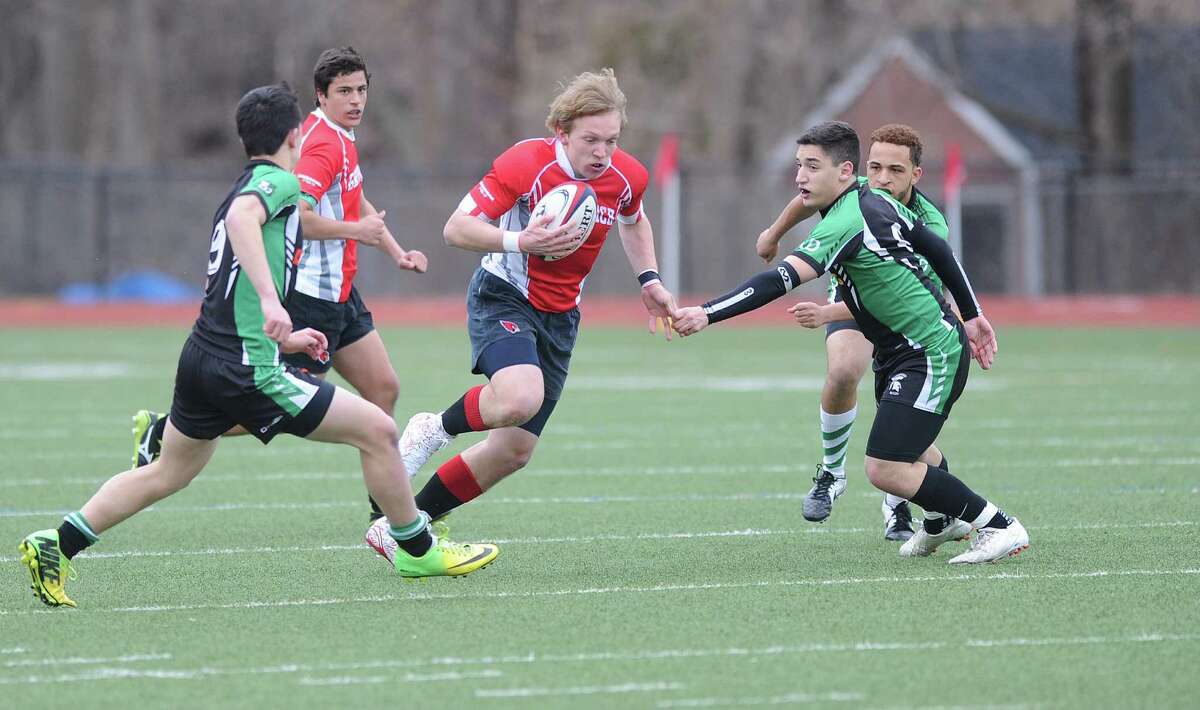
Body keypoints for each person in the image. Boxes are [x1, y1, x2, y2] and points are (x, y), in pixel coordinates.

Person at [19, 84, 497, 608]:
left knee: (167, 472)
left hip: (204, 353)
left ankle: (56, 543)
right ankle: (415, 548)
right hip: (247, 367)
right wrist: (274, 304)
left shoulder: (248, 181)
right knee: (380, 431)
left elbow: (233, 269)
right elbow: (241, 219)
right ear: (295, 135)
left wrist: (286, 331)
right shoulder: (276, 184)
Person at [670, 120, 1028, 564]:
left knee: (884, 466)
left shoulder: (847, 219)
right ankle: (941, 520)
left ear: (843, 172)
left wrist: (707, 313)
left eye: (812, 166)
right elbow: (934, 250)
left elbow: (779, 280)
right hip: (899, 348)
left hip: (930, 350)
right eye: (799, 165)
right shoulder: (872, 197)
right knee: (914, 448)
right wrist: (974, 316)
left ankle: (998, 525)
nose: (801, 176)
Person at [364, 68, 676, 562]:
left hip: (562, 316)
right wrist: (520, 240)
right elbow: (456, 228)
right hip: (503, 294)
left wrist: (650, 279)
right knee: (518, 396)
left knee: (512, 451)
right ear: (562, 131)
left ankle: (403, 529)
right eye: (590, 140)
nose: (602, 152)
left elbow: (634, 222)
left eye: (611, 140)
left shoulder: (625, 177)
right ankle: (433, 428)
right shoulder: (525, 162)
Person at [131, 47, 427, 526]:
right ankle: (167, 433)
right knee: (275, 404)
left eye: (361, 90)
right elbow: (302, 219)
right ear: (320, 96)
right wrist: (356, 233)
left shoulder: (343, 138)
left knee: (383, 388)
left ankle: (388, 515)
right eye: (344, 92)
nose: (356, 101)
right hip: (311, 293)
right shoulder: (319, 145)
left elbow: (357, 198)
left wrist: (394, 249)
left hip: (342, 293)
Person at [755, 124, 961, 543]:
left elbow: (900, 297)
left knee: (898, 419)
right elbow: (805, 198)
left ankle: (907, 505)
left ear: (916, 176)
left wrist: (827, 311)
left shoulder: (931, 225)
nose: (882, 179)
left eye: (895, 171)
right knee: (846, 367)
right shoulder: (857, 189)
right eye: (875, 168)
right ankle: (832, 472)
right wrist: (774, 234)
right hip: (851, 290)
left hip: (900, 315)